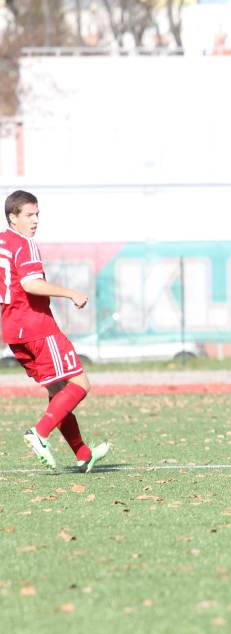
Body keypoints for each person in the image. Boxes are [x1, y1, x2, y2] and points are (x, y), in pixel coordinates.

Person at [1, 190, 110, 472]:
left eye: (37, 214)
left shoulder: (3, 243)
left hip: (13, 330)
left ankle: (83, 453)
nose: (35, 220)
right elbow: (30, 284)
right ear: (13, 218)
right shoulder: (25, 244)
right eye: (28, 215)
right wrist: (70, 293)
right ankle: (39, 432)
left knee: (57, 390)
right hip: (37, 326)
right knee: (80, 384)